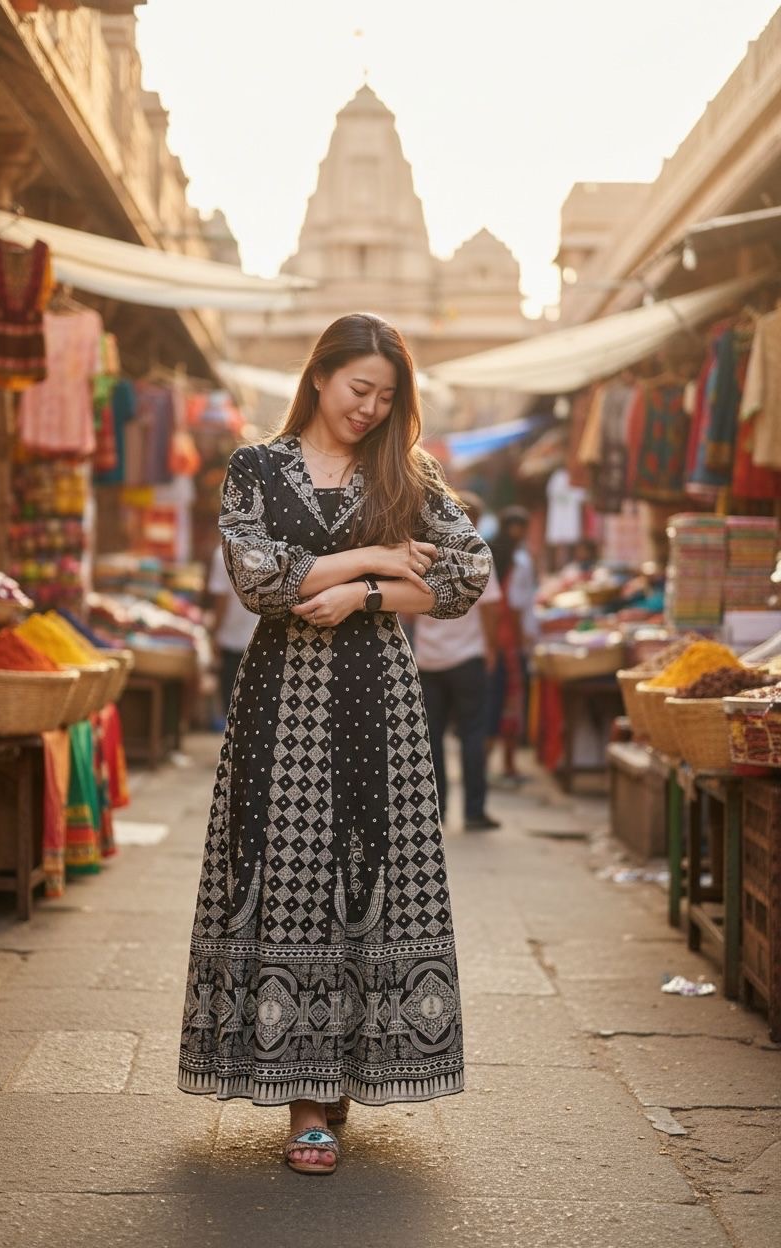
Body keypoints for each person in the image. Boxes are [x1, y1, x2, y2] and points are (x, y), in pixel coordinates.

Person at [177, 313, 491, 1177]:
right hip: (281, 702)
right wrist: (381, 555)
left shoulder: (409, 471)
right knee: (288, 875)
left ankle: (333, 1078)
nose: (371, 408)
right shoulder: (256, 466)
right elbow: (257, 578)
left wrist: (369, 596)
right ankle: (307, 1097)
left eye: (387, 397)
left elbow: (465, 574)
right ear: (319, 378)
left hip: (380, 699)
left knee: (369, 876)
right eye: (360, 389)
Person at [415, 491, 502, 831]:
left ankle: (435, 812)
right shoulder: (478, 557)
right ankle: (474, 811)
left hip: (429, 660)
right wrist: (491, 648)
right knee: (472, 734)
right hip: (467, 659)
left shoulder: (424, 555)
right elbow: (492, 608)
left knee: (431, 738)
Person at [488, 506, 537, 784]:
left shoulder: (491, 554)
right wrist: (519, 644)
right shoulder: (518, 562)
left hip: (492, 643)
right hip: (508, 645)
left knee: (491, 705)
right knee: (509, 704)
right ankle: (506, 764)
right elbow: (515, 609)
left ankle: (483, 768)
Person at [208, 542, 258, 714]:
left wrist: (214, 634)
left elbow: (221, 601)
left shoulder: (222, 552)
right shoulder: (268, 549)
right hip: (260, 638)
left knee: (232, 704)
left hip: (232, 639)